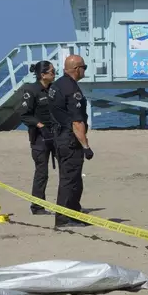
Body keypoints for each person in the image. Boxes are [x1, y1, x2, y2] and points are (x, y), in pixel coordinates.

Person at [48, 55, 94, 228]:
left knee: (74, 179)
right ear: (76, 69)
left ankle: (73, 213)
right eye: (84, 67)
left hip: (59, 137)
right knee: (70, 179)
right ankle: (63, 218)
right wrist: (86, 146)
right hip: (69, 139)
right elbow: (76, 121)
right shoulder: (71, 89)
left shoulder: (57, 85)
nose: (85, 70)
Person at [17, 61, 57, 215]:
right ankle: (37, 206)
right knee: (42, 172)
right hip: (40, 138)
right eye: (52, 72)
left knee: (67, 169)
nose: (54, 74)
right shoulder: (31, 90)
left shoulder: (54, 89)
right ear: (43, 75)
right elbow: (24, 115)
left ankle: (67, 204)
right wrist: (40, 126)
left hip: (56, 134)